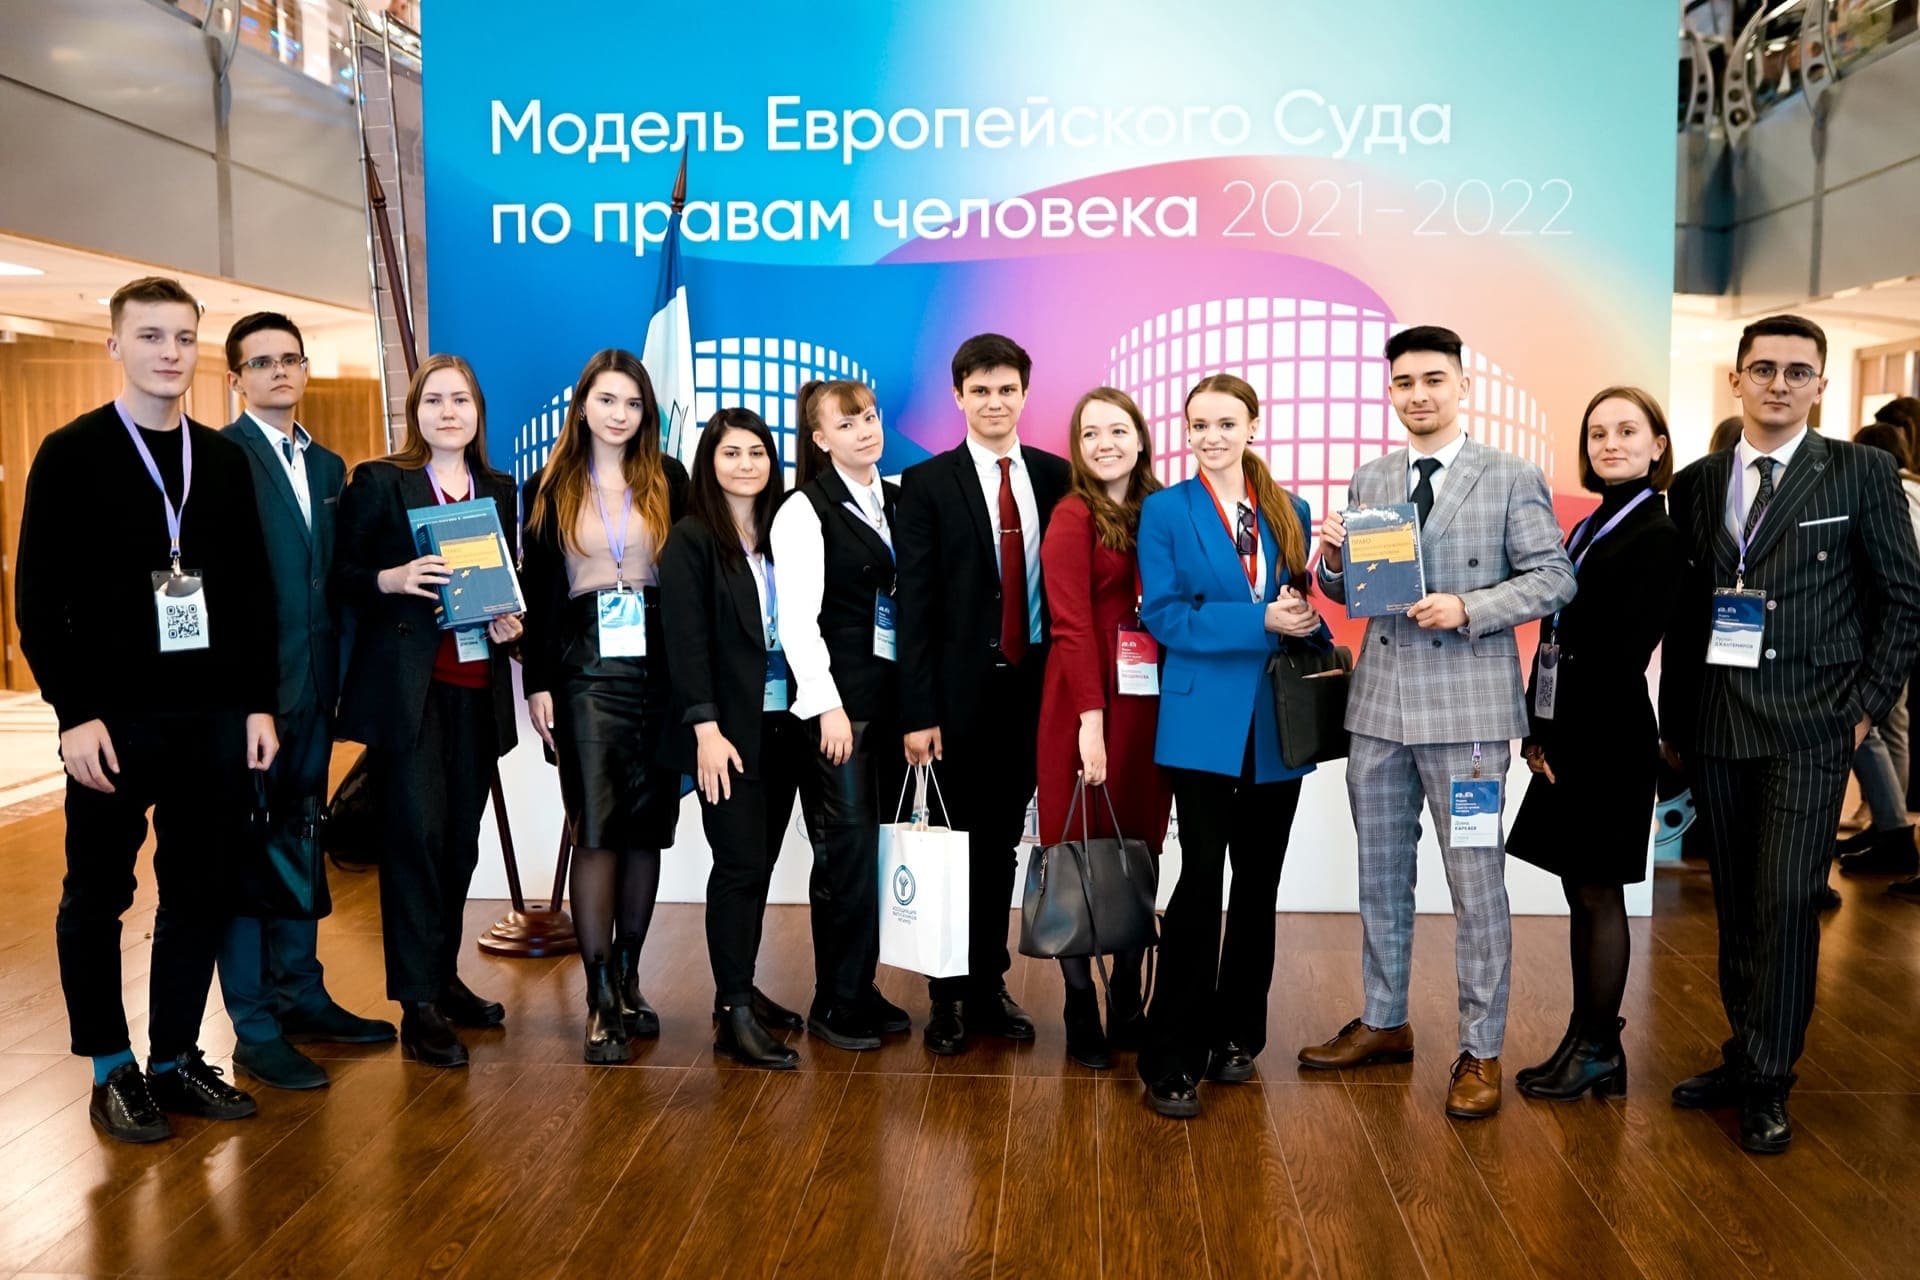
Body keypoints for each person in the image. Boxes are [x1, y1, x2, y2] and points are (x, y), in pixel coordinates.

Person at [17, 276, 277, 1141]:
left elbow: (251, 595)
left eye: (184, 338)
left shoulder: (224, 461)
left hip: (212, 719)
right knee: (98, 895)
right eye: (152, 336)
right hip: (113, 723)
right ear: (116, 346)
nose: (170, 353)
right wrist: (73, 713)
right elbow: (38, 602)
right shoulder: (71, 453)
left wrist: (257, 706)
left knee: (198, 892)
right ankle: (109, 1067)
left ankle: (173, 1059)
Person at [1299, 324, 1576, 1121]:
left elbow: (1555, 578)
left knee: (1475, 883)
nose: (1417, 394)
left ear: (1462, 386)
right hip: (1380, 710)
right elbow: (1350, 590)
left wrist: (1471, 606)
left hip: (1470, 717)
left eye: (1432, 380)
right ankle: (1385, 1020)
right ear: (1390, 391)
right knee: (1380, 874)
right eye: (1404, 382)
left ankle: (1481, 1049)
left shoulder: (1511, 475)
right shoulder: (1373, 475)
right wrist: (1331, 559)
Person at [1660, 314, 1920, 1152]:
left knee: (1784, 901)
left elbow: (1904, 599)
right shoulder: (1697, 483)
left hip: (1813, 723)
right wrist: (1675, 724)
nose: (1780, 383)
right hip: (1719, 723)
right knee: (1737, 904)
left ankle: (1770, 1080)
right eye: (1764, 368)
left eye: (1797, 371)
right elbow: (1687, 611)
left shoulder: (1860, 472)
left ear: (1820, 385)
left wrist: (1863, 709)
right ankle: (1744, 1054)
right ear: (1736, 378)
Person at [1134, 375, 1327, 1117]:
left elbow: (1298, 602)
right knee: (1199, 885)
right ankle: (1170, 1058)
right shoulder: (1166, 509)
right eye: (1198, 425)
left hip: (1277, 725)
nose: (1210, 437)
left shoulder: (1291, 511)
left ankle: (1237, 1036)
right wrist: (1259, 623)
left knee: (1258, 885)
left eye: (1225, 423)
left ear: (1253, 425)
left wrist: (1302, 615)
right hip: (1201, 725)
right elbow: (1165, 617)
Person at [216, 312, 396, 1091]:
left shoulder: (327, 465)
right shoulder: (220, 459)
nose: (279, 372)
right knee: (245, 855)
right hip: (252, 698)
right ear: (236, 379)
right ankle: (254, 1026)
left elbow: (335, 579)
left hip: (315, 687)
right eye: (261, 363)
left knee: (300, 840)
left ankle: (302, 994)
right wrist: (247, 697)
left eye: (290, 359)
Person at [333, 353, 523, 1069]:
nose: (448, 412)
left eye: (461, 400)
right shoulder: (382, 482)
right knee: (413, 842)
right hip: (409, 696)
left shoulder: (498, 489)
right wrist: (394, 577)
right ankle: (416, 1004)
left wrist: (511, 624)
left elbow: (506, 582)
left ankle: (442, 977)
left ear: (477, 413)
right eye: (434, 400)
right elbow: (342, 577)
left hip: (476, 691)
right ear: (415, 412)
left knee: (459, 845)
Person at [1507, 387, 1685, 1101]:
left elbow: (1618, 652)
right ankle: (1586, 1043)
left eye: (1627, 432)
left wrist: (1557, 733)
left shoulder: (1657, 534)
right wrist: (1537, 725)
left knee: (1598, 893)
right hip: (1572, 729)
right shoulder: (1589, 525)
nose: (1610, 444)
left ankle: (1598, 1049)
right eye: (1598, 433)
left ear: (1657, 446)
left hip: (1606, 736)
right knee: (1580, 891)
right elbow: (1558, 636)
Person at [896, 334, 1070, 1056]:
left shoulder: (1057, 477)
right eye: (980, 391)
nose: (994, 403)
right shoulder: (926, 484)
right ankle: (948, 997)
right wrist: (918, 712)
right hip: (954, 702)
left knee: (999, 848)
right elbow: (914, 608)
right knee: (952, 851)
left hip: (1033, 694)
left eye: (1006, 390)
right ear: (958, 396)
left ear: (1024, 394)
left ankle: (989, 985)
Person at [521, 349, 689, 1064]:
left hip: (661, 670)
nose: (620, 415)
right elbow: (537, 594)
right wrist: (537, 683)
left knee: (646, 831)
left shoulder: (670, 479)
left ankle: (628, 977)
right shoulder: (548, 484)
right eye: (607, 400)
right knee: (596, 830)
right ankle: (597, 996)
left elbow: (691, 580)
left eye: (633, 403)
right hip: (584, 672)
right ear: (583, 405)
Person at [659, 410, 807, 1068]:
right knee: (739, 865)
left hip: (784, 724)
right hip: (727, 732)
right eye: (731, 453)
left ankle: (741, 989)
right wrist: (706, 730)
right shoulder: (691, 538)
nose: (746, 464)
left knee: (760, 864)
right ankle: (733, 1013)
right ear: (709, 463)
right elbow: (685, 642)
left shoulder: (784, 532)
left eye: (757, 452)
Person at [769, 379, 912, 1051]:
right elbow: (796, 621)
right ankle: (835, 1000)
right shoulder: (803, 509)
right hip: (837, 712)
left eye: (870, 417)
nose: (865, 431)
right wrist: (826, 705)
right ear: (821, 438)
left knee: (873, 852)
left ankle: (860, 984)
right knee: (843, 854)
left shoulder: (897, 499)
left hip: (890, 705)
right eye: (847, 423)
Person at [1034, 388, 1170, 1070]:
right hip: (1083, 701)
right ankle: (1079, 997)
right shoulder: (1072, 514)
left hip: (1148, 704)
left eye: (1118, 430)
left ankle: (1127, 992)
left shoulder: (1164, 508)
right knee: (1076, 848)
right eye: (1091, 434)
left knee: (1138, 844)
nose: (1105, 444)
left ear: (1140, 438)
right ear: (1078, 447)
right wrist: (1091, 723)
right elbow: (1069, 624)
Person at [1833, 421, 1920, 887]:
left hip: (1885, 627)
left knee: (1870, 727)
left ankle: (1892, 829)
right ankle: (1889, 824)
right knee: (1892, 726)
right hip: (1897, 627)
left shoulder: (1886, 492)